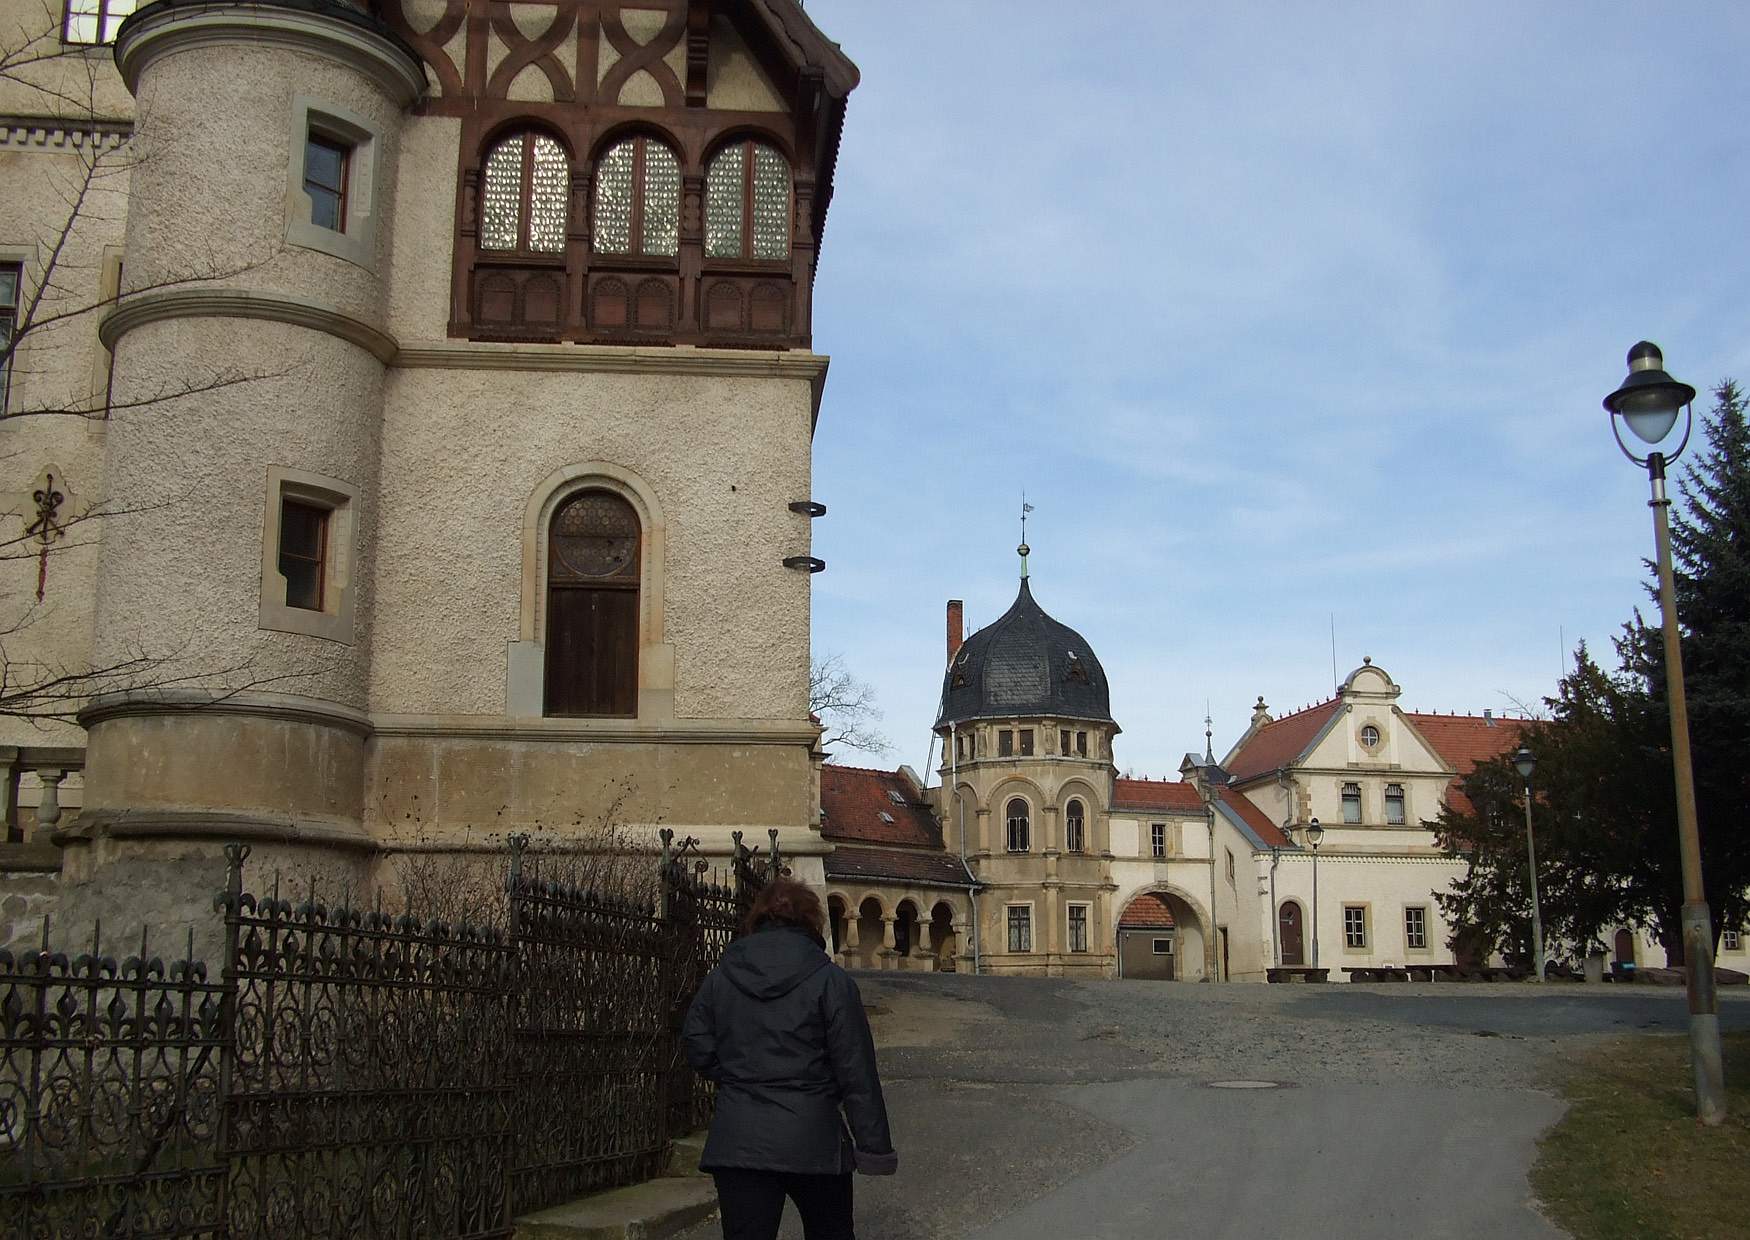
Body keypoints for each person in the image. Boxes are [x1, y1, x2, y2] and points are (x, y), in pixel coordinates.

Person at [682, 877, 897, 1240]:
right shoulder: (831, 981)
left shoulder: (722, 977)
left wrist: (738, 1075)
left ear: (758, 919)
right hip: (813, 1137)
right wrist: (873, 1146)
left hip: (740, 1138)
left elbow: (697, 1044)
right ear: (812, 922)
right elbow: (855, 1069)